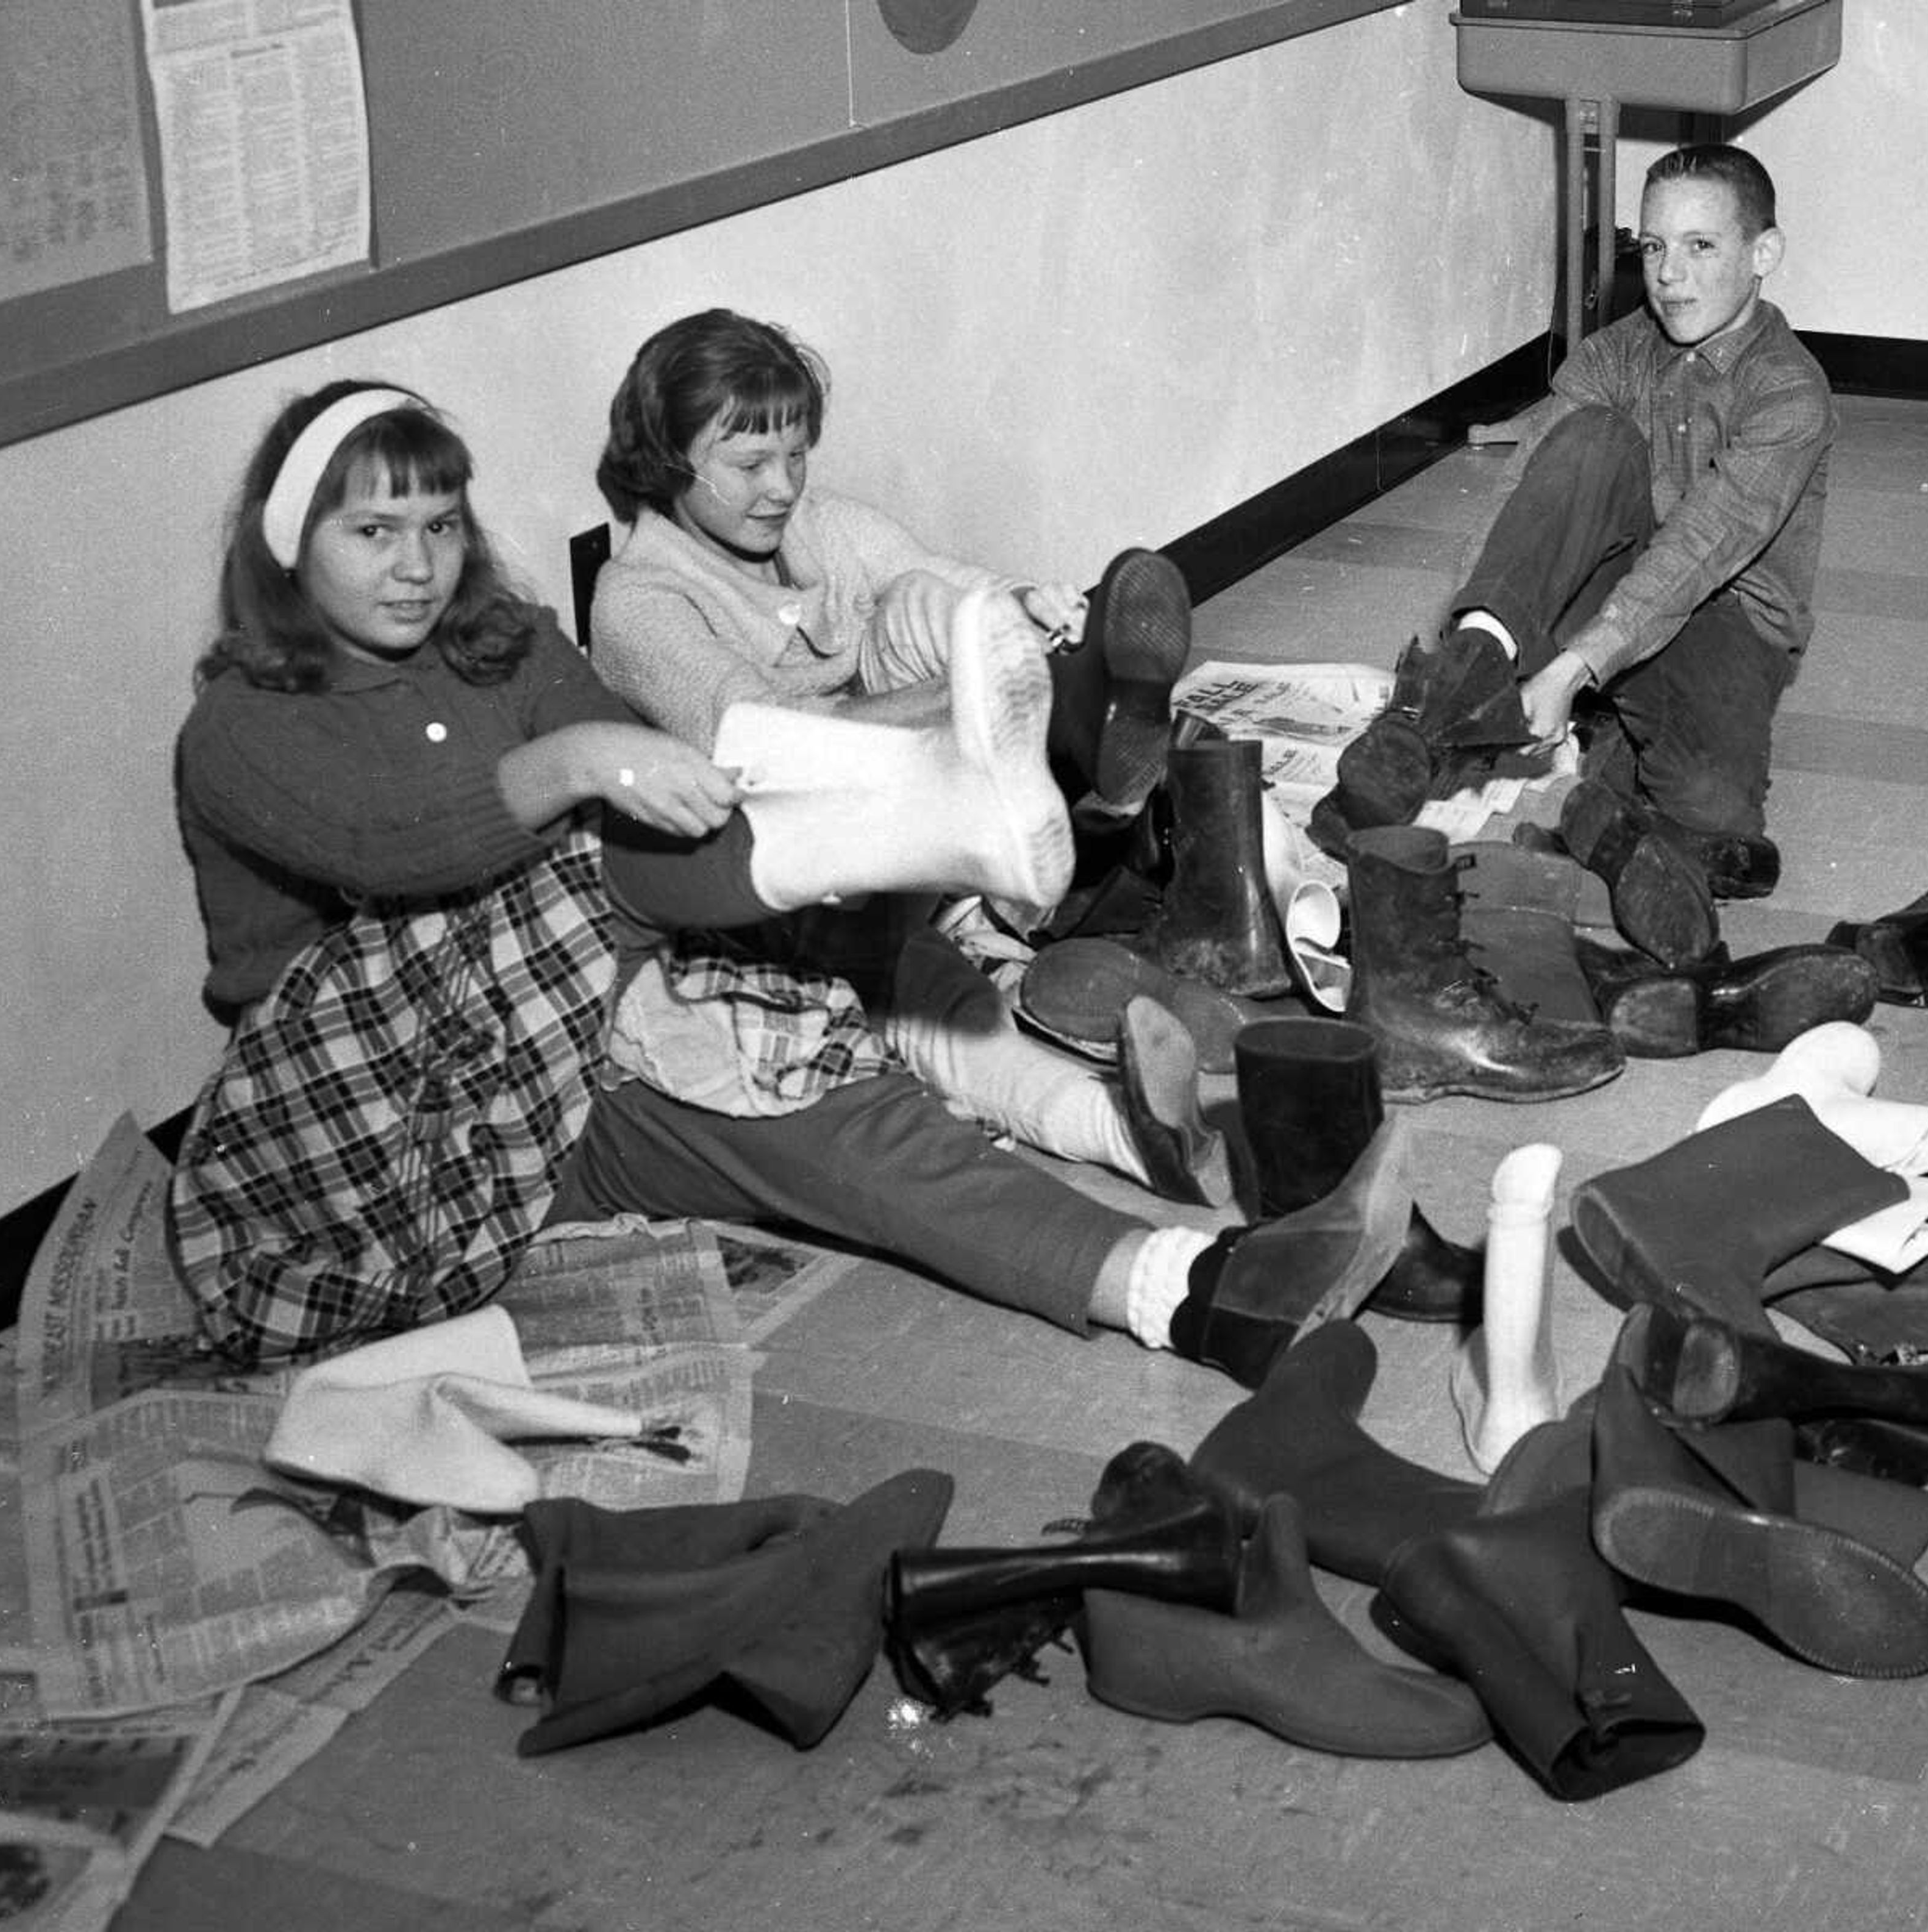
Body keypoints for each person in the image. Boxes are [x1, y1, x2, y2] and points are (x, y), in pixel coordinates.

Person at [167, 380, 1409, 1383]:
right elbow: (403, 849)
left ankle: (1191, 1296)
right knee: (616, 862)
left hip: (559, 1077)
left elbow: (657, 781)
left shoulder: (508, 644)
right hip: (381, 1125)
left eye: (440, 526)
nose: (417, 565)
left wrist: (625, 762)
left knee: (791, 1088)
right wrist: (577, 757)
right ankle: (939, 815)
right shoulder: (239, 723)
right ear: (288, 550)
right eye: (371, 532)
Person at [587, 309, 1204, 1197]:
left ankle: (1044, 755)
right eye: (750, 464)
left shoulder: (815, 525)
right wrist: (968, 699)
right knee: (936, 1006)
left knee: (923, 600)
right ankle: (1126, 1132)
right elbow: (765, 740)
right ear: (668, 456)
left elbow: (950, 583)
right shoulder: (637, 600)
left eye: (797, 455)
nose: (782, 486)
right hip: (788, 855)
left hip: (917, 834)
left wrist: (1034, 611)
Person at [1315, 144, 1833, 956]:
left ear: (1762, 254)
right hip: (1609, 598)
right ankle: (1462, 693)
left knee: (1712, 817)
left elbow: (1700, 551)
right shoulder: (1615, 353)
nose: (1670, 274)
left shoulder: (1789, 390)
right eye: (1655, 247)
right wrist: (1464, 651)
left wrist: (1569, 670)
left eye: (1702, 246)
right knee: (1586, 438)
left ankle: (1610, 780)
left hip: (1722, 621)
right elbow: (1527, 506)